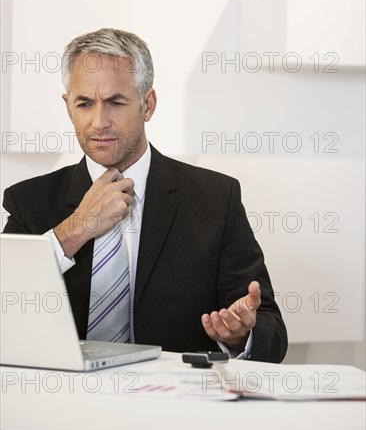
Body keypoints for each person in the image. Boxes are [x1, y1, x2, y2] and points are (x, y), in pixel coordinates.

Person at [2, 28, 287, 361]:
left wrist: (240, 336)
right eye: (84, 103)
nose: (99, 122)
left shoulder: (215, 198)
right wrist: (76, 228)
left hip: (174, 406)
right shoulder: (29, 201)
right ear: (68, 107)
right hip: (65, 401)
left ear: (147, 104)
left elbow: (271, 333)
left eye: (115, 102)